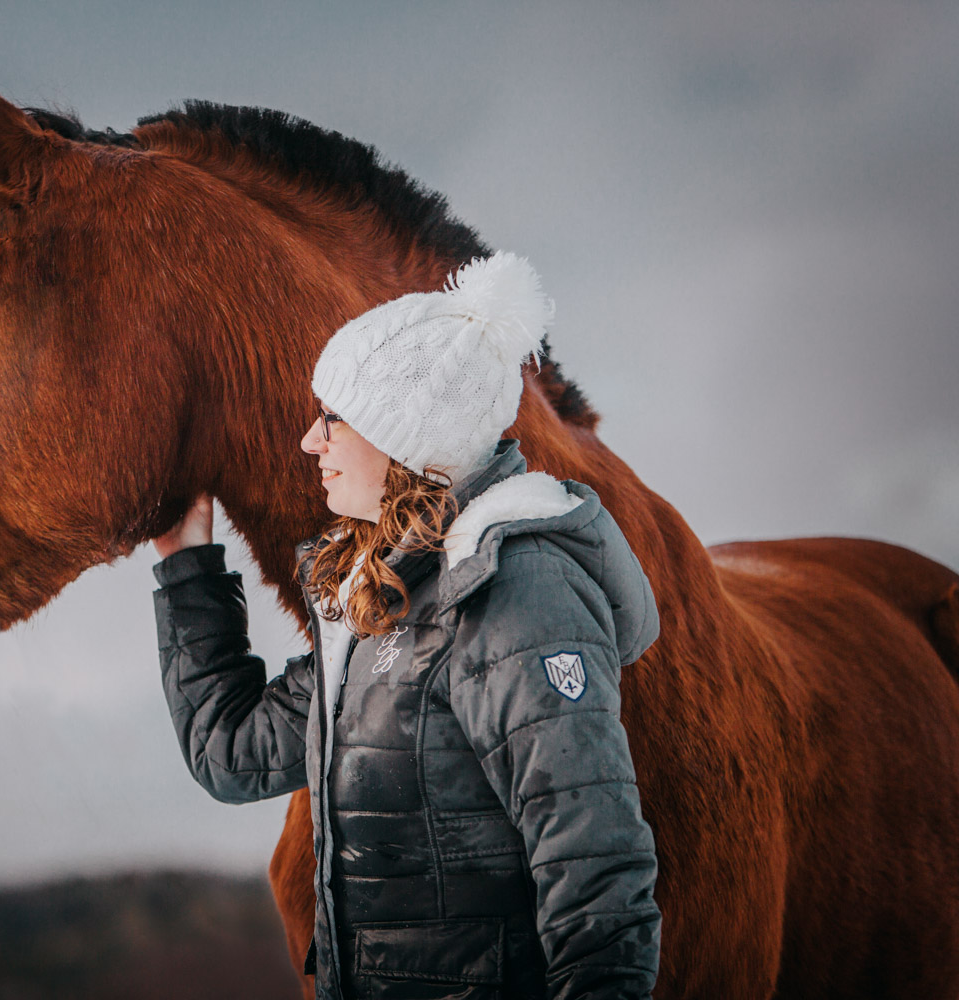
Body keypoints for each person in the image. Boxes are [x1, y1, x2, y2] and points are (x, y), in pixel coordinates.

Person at [150, 252, 662, 999]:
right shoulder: (383, 601)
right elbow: (231, 751)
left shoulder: (519, 596)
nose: (309, 442)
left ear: (408, 438)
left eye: (335, 420)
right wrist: (186, 563)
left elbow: (597, 879)